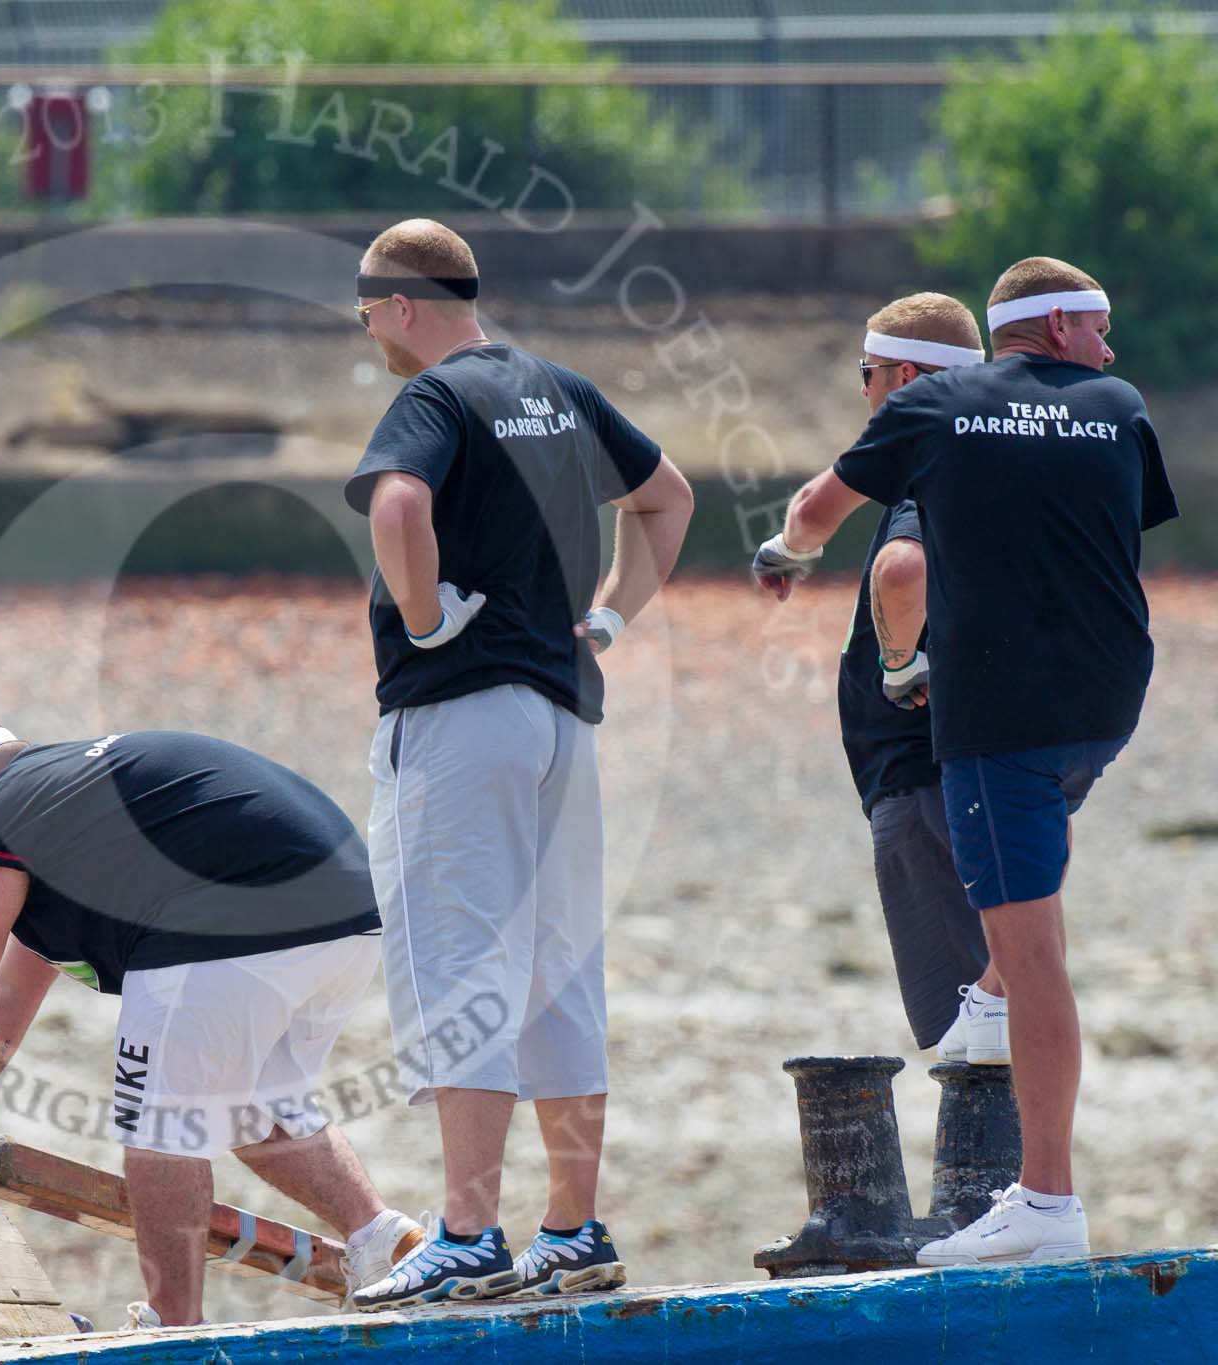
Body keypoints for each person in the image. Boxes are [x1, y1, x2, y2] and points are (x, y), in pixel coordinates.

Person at [749, 258, 1177, 1264]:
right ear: (1061, 326)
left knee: (1033, 957)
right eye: (1100, 326)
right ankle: (987, 1002)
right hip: (1107, 701)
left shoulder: (938, 405)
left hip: (994, 718)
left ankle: (1044, 1199)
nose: (1108, 348)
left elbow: (821, 510)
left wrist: (785, 553)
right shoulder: (1117, 405)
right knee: (1018, 929)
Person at [344, 219, 693, 1309]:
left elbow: (397, 504)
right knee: (556, 967)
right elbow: (667, 496)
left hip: (461, 714)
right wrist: (609, 621)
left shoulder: (434, 396)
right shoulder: (559, 388)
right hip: (559, 717)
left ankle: (464, 1233)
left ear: (401, 304)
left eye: (368, 316)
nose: (370, 336)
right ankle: (572, 1225)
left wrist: (423, 612)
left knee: (457, 967)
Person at [0, 711, 425, 1326]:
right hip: (349, 918)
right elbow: (5, 999)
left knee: (155, 1128)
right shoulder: (65, 806)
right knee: (251, 1108)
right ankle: (384, 1239)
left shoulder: (3, 809)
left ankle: (174, 1325)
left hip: (233, 922)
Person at [754, 293, 1002, 1062]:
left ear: (899, 378)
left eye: (867, 376)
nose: (866, 394)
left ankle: (1009, 1186)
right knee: (996, 1014)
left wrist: (900, 665)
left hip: (927, 780)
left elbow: (902, 568)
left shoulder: (933, 464)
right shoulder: (1005, 455)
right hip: (995, 767)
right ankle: (1035, 1182)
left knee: (969, 1043)